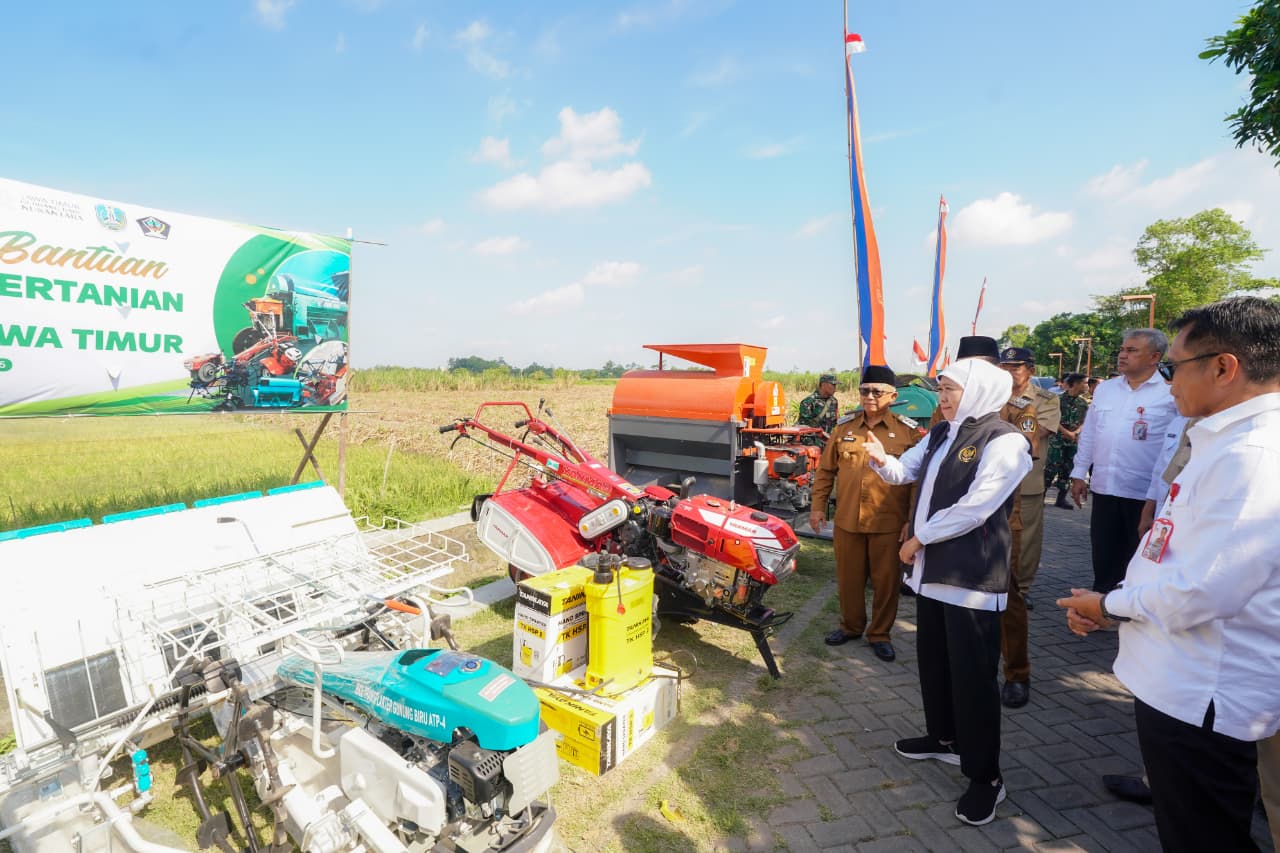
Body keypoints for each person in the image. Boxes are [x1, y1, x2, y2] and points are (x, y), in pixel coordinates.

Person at [1057, 296, 1280, 852]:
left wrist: (1109, 606)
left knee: (1204, 837)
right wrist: (1120, 606)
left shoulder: (1252, 453)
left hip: (1202, 688)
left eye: (1175, 366)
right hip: (1182, 672)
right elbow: (1183, 558)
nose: (1168, 380)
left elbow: (1207, 588)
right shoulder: (1225, 440)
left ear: (1224, 367)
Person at [865, 359, 1032, 826]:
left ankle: (986, 778)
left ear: (979, 390)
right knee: (935, 663)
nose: (942, 397)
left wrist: (918, 539)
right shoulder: (942, 433)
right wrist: (882, 461)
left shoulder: (1005, 440)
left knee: (974, 680)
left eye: (950, 389)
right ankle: (943, 739)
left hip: (972, 579)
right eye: (941, 389)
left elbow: (977, 507)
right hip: (932, 573)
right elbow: (905, 472)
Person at [810, 365, 924, 662]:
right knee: (849, 579)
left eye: (877, 391)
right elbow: (825, 472)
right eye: (864, 390)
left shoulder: (907, 432)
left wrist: (910, 521)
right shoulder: (844, 428)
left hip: (888, 522)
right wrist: (818, 507)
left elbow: (916, 482)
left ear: (893, 395)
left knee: (886, 583)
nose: (869, 396)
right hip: (848, 520)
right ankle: (850, 626)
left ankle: (880, 634)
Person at [1069, 329, 1177, 594]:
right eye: (1122, 349)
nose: (1122, 355)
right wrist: (1079, 472)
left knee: (1139, 553)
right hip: (1106, 487)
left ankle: (1132, 605)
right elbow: (1091, 434)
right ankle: (1102, 603)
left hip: (1146, 492)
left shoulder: (1170, 392)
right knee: (1104, 550)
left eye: (1131, 350)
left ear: (1154, 357)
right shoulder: (1106, 389)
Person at [995, 347, 1060, 708]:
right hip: (978, 507)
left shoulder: (1040, 400)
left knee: (1015, 575)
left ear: (1029, 369)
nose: (1008, 371)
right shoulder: (984, 399)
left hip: (1024, 488)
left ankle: (1017, 672)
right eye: (1002, 366)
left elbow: (1030, 437)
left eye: (1014, 366)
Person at [1044, 373, 1089, 508]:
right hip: (1057, 441)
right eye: (1084, 383)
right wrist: (1066, 432)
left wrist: (1075, 432)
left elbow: (1085, 421)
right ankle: (1041, 498)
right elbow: (1052, 419)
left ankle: (1061, 499)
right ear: (1074, 384)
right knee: (1050, 470)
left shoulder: (1083, 403)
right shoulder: (1057, 400)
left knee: (1068, 470)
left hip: (1072, 442)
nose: (1087, 386)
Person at [798, 372, 840, 446]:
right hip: (814, 442)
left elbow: (836, 422)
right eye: (833, 385)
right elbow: (804, 428)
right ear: (824, 385)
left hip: (830, 441)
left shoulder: (834, 401)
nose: (835, 388)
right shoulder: (808, 402)